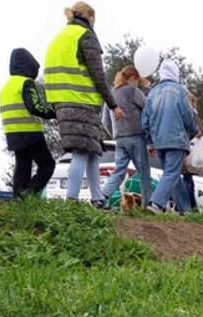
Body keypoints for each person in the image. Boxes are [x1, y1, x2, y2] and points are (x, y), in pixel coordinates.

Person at [44, 2, 125, 206]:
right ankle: (72, 199)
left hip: (61, 102)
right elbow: (98, 75)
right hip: (82, 102)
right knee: (81, 151)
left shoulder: (58, 38)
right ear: (89, 17)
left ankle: (97, 198)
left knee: (93, 150)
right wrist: (113, 104)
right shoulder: (85, 36)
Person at [142, 59, 198, 214]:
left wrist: (149, 142)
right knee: (172, 173)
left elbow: (145, 120)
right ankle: (156, 204)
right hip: (176, 139)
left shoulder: (152, 93)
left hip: (158, 140)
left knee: (171, 173)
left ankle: (183, 209)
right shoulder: (179, 91)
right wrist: (194, 132)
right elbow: (187, 115)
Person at [0, 48, 57, 198]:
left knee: (23, 165)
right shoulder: (26, 82)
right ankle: (30, 193)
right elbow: (35, 107)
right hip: (30, 131)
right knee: (47, 165)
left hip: (12, 133)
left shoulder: (5, 87)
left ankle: (19, 196)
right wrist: (53, 114)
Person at [101, 65, 151, 208]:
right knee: (144, 173)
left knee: (119, 171)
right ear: (133, 78)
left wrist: (115, 133)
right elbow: (148, 109)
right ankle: (147, 206)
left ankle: (102, 196)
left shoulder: (111, 94)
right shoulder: (133, 91)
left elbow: (104, 120)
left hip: (120, 139)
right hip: (136, 136)